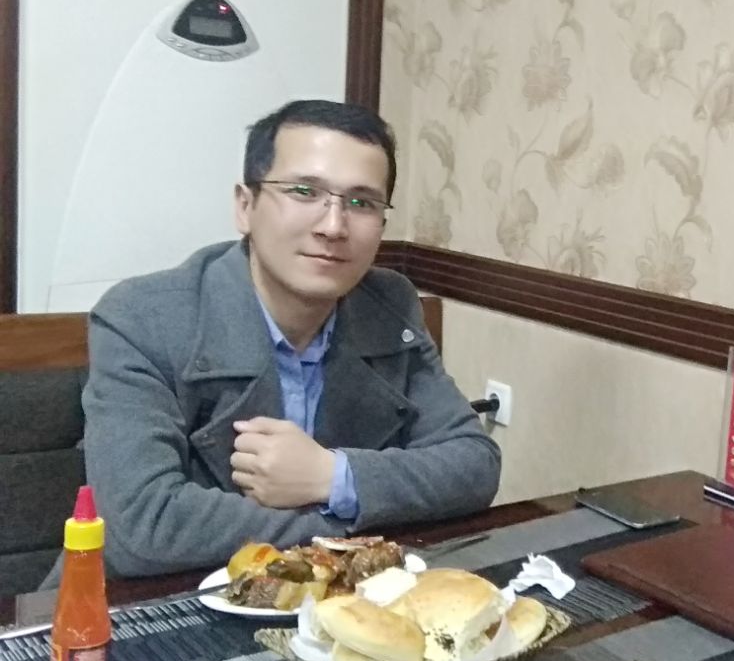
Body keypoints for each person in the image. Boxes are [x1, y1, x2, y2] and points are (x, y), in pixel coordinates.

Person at [72, 99, 500, 579]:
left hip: (337, 604)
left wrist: (331, 476)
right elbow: (145, 528)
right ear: (245, 206)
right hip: (162, 600)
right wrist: (348, 532)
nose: (333, 226)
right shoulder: (143, 317)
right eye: (304, 191)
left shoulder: (388, 304)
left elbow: (473, 465)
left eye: (361, 202)